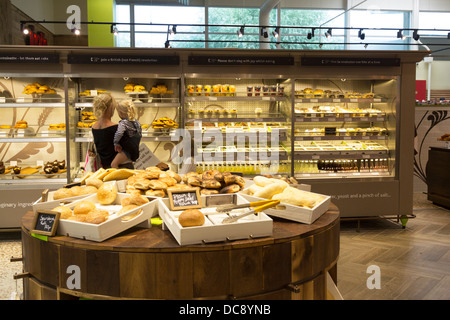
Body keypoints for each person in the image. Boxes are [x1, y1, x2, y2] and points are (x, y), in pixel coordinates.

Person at [91, 93, 133, 169]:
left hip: (105, 169)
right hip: (120, 168)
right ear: (111, 107)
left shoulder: (94, 127)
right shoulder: (117, 128)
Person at [110, 100, 142, 169]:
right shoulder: (137, 123)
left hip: (127, 150)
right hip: (135, 150)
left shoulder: (123, 123)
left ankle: (116, 178)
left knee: (114, 164)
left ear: (120, 112)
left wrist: (116, 143)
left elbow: (119, 133)